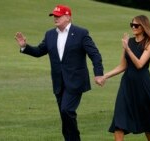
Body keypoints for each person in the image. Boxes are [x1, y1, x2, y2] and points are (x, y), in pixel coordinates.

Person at [15, 4, 104, 141]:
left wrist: (98, 73)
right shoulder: (50, 34)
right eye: (54, 16)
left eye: (58, 16)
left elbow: (95, 54)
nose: (55, 18)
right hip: (58, 82)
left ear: (68, 17)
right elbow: (39, 51)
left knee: (66, 110)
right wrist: (24, 47)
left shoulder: (81, 33)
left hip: (75, 81)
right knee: (65, 116)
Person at [99, 15, 150, 141]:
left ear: (143, 27)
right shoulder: (129, 42)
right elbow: (123, 66)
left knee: (147, 118)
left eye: (136, 25)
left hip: (142, 83)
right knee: (119, 118)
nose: (133, 27)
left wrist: (127, 48)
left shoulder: (149, 43)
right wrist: (105, 76)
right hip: (127, 83)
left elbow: (139, 64)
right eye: (131, 25)